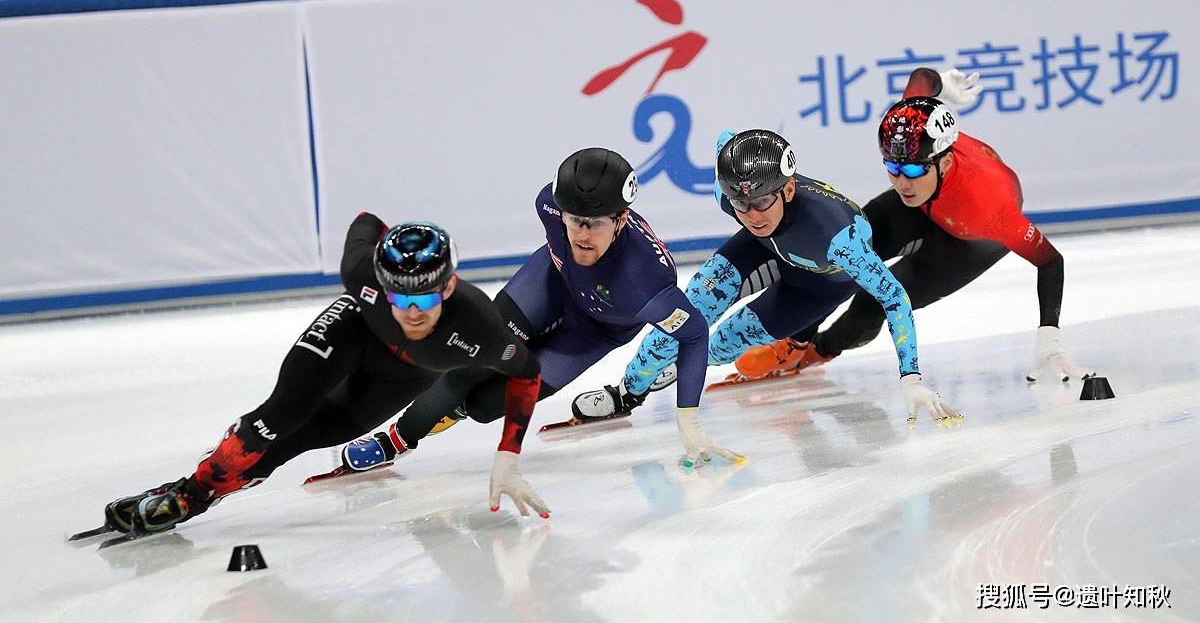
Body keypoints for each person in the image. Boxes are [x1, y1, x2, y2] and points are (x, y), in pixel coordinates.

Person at [97, 215, 549, 537]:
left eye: (426, 299)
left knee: (307, 436)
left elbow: (527, 373)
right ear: (379, 280)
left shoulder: (480, 327)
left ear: (448, 286)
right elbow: (366, 221)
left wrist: (508, 455)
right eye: (399, 296)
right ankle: (191, 492)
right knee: (279, 415)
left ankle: (204, 491)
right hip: (354, 332)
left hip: (401, 379)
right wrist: (387, 242)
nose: (412, 312)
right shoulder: (360, 272)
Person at [333, 147, 741, 471]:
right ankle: (395, 441)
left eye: (595, 223)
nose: (581, 234)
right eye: (574, 220)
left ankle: (454, 407)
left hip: (594, 331)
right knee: (471, 364)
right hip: (548, 285)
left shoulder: (646, 281)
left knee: (486, 405)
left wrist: (689, 420)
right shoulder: (548, 204)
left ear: (621, 220)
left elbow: (694, 333)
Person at [573, 129, 959, 426]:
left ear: (788, 189)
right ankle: (625, 393)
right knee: (686, 314)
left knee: (726, 341)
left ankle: (693, 363)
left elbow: (893, 298)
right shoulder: (734, 196)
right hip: (762, 250)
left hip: (818, 286)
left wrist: (911, 378)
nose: (753, 215)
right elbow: (729, 142)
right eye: (741, 204)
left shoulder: (839, 238)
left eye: (761, 202)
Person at [734, 68, 1090, 385]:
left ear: (945, 160)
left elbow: (1049, 259)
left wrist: (1049, 333)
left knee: (873, 302)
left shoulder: (990, 206)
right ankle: (795, 343)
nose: (902, 182)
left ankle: (819, 351)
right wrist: (940, 88)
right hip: (926, 206)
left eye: (914, 169)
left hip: (969, 239)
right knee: (840, 250)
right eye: (892, 167)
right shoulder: (910, 125)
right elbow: (923, 77)